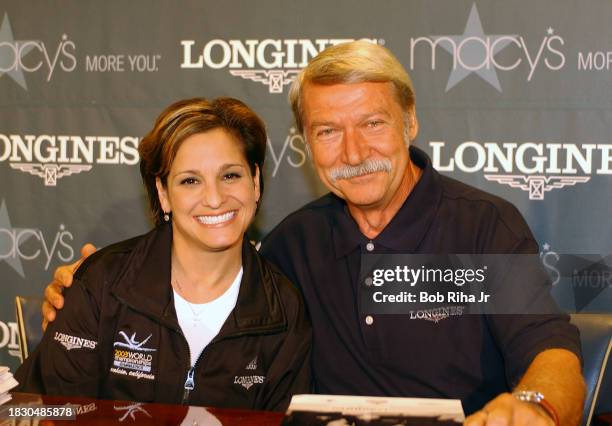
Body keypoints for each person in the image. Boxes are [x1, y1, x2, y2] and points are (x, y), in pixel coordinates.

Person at [41, 42, 585, 425]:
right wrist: (84, 288)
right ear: (305, 142)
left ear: (410, 121)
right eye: (328, 131)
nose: (353, 153)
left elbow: (551, 351)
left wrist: (535, 406)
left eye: (372, 123)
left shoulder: (484, 225)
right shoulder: (293, 246)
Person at [16, 97, 312, 411]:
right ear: (163, 193)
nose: (214, 198)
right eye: (190, 181)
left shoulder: (285, 311)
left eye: (230, 176)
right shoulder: (100, 284)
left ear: (255, 182)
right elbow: (44, 412)